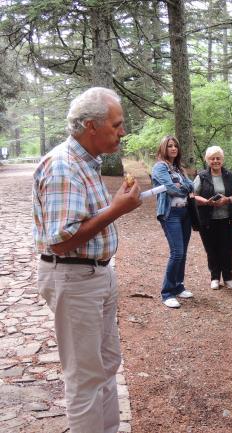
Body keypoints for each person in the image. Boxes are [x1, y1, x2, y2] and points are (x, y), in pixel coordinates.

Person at [33, 87, 142, 433]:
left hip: (96, 275)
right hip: (74, 278)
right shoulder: (65, 166)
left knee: (107, 364)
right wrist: (116, 210)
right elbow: (61, 241)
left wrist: (114, 208)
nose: (122, 131)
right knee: (84, 377)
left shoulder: (86, 162)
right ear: (91, 126)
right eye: (117, 124)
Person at [151, 135, 195, 308]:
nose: (173, 149)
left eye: (175, 146)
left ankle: (178, 286)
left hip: (185, 212)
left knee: (183, 252)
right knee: (176, 252)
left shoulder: (178, 168)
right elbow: (170, 188)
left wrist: (182, 187)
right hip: (171, 214)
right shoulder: (160, 167)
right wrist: (183, 188)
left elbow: (192, 185)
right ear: (164, 148)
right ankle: (167, 292)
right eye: (170, 146)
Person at [193, 146, 232, 290]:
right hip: (208, 220)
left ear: (222, 159)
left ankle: (228, 277)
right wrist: (206, 202)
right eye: (212, 158)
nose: (215, 161)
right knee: (211, 249)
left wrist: (226, 200)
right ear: (207, 160)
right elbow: (193, 195)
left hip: (227, 218)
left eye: (218, 158)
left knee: (227, 249)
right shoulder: (201, 177)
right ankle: (215, 277)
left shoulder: (229, 176)